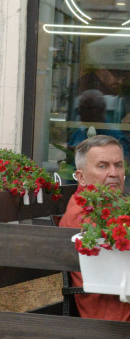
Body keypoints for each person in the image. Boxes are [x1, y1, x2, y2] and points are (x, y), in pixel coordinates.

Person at [58, 134, 130, 322]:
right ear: (80, 177)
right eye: (103, 166)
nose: (114, 173)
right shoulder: (86, 212)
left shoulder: (109, 205)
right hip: (113, 316)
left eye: (119, 165)